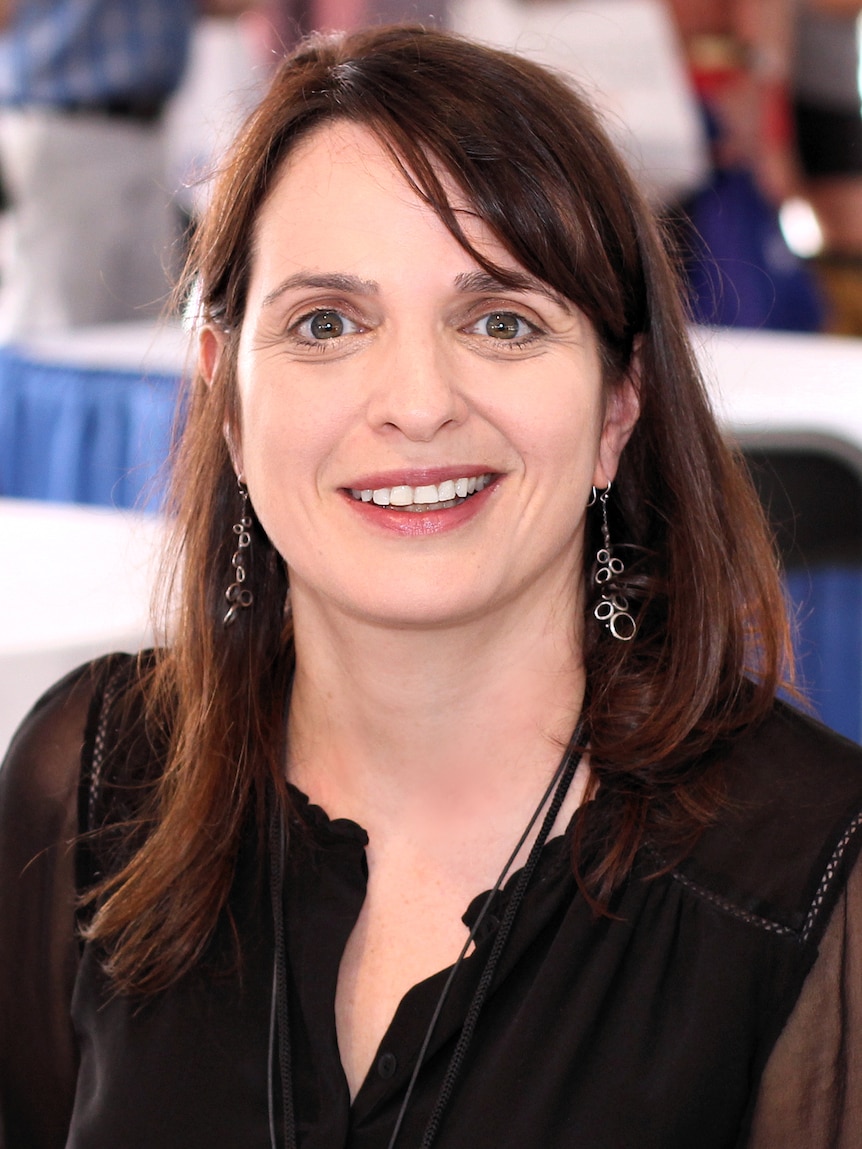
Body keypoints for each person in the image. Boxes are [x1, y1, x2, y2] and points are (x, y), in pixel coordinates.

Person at [1, 25, 861, 1149]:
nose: (415, 400)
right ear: (226, 399)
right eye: (325, 323)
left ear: (617, 406)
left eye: (499, 321)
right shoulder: (90, 778)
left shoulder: (811, 873)